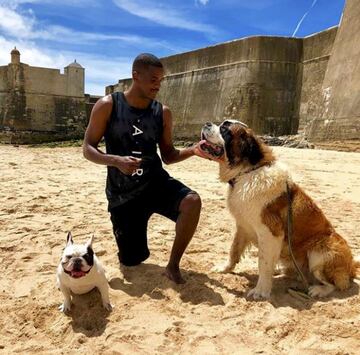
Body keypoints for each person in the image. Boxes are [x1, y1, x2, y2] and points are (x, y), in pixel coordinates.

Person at [83, 53, 212, 284]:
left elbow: (169, 155)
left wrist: (193, 150)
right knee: (132, 260)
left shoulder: (162, 112)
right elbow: (88, 148)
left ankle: (173, 266)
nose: (158, 85)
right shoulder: (108, 105)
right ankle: (131, 245)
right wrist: (115, 161)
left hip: (155, 183)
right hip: (123, 195)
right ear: (136, 76)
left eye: (160, 80)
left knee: (192, 202)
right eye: (153, 79)